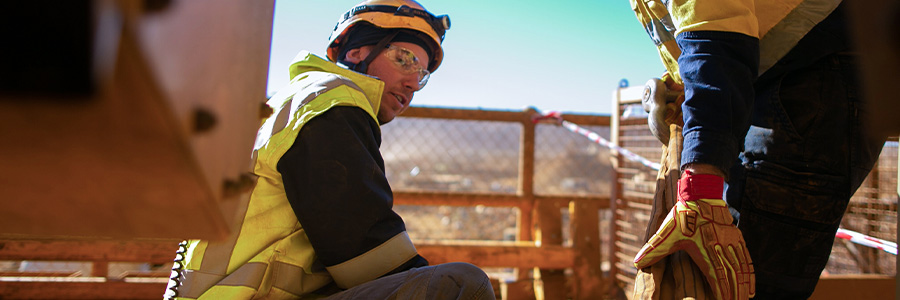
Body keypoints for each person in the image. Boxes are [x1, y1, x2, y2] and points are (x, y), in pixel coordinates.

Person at [164, 1, 495, 299]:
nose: (412, 83)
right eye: (404, 60)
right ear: (356, 53)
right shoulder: (332, 102)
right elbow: (367, 254)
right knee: (460, 285)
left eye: (421, 74)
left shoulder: (296, 100)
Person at [629, 1, 887, 299]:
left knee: (746, 284)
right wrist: (688, 85)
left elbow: (716, 37)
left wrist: (700, 187)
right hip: (794, 75)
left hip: (816, 77)